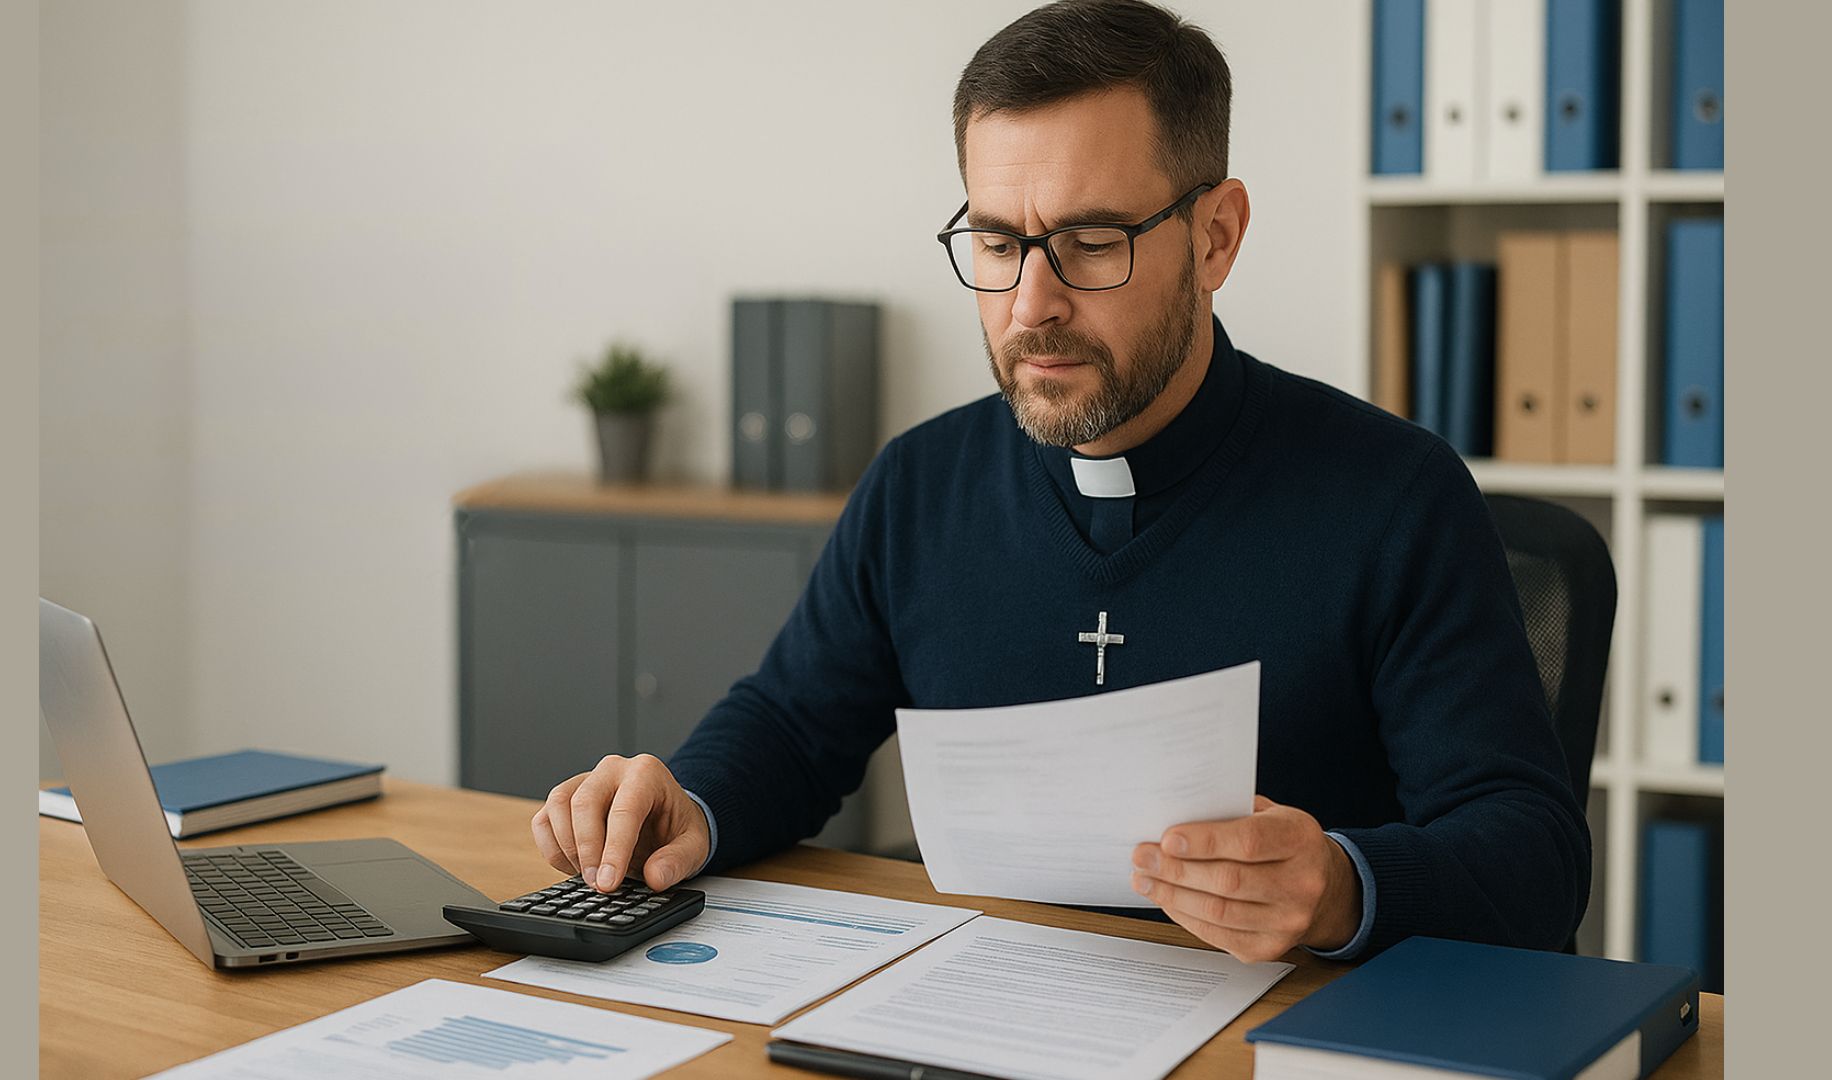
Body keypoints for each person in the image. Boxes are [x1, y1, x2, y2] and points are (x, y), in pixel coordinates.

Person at [530, 0, 1590, 964]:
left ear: (1215, 238)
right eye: (998, 242)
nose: (1031, 304)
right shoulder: (918, 484)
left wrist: (1343, 889)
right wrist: (692, 801)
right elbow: (792, 727)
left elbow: (1534, 854)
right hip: (984, 1013)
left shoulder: (1395, 497)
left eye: (1091, 242)